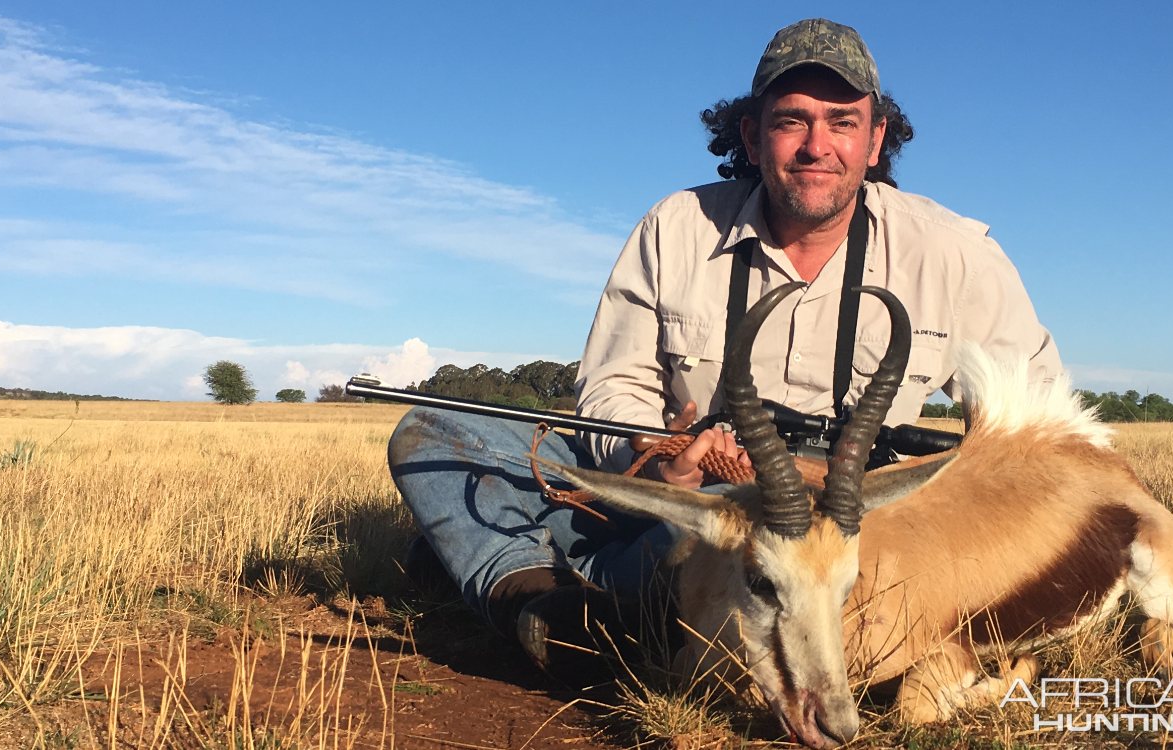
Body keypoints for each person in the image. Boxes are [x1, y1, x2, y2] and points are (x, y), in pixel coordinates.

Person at [389, 18, 1063, 685]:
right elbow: (612, 386)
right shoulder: (675, 225)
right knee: (434, 434)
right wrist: (655, 459)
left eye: (843, 122)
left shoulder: (956, 255)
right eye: (791, 121)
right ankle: (536, 596)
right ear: (751, 133)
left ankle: (546, 587)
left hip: (836, 527)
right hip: (693, 495)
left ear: (877, 138)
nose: (816, 146)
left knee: (709, 558)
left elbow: (1041, 427)